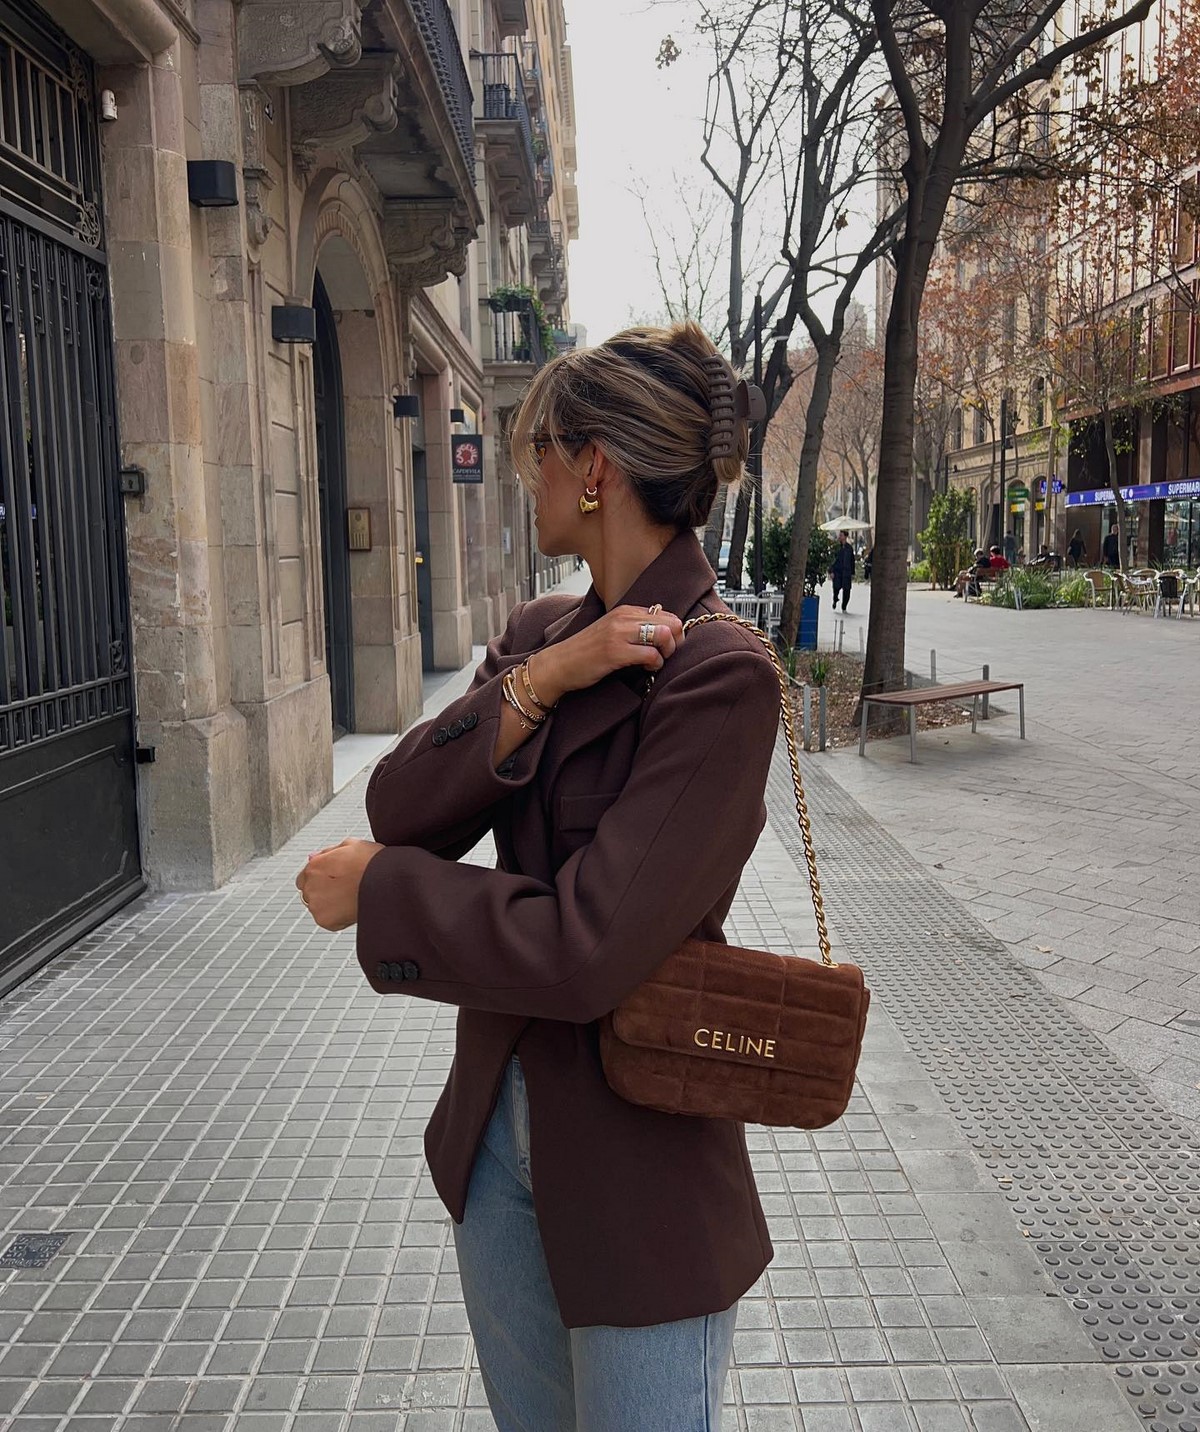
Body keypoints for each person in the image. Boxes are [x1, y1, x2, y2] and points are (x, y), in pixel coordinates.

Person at [296, 323, 781, 1431]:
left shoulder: (720, 676)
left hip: (639, 1169)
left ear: (594, 467)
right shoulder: (542, 633)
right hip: (498, 1139)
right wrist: (547, 674)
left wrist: (383, 893)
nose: (532, 478)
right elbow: (401, 807)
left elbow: (587, 947)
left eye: (541, 454)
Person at [830, 529, 855, 611]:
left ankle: (844, 606)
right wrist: (831, 571)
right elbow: (832, 560)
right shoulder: (836, 547)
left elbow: (852, 561)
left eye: (841, 535)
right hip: (837, 571)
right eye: (839, 535)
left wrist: (852, 572)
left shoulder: (849, 548)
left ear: (845, 536)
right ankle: (835, 599)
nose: (840, 537)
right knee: (836, 588)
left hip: (846, 572)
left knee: (847, 590)